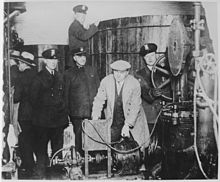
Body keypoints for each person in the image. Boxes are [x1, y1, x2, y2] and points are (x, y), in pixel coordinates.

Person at [92, 60, 150, 148]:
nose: (118, 75)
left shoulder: (134, 84)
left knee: (136, 149)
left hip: (132, 120)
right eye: (116, 71)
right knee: (110, 145)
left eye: (121, 72)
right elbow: (99, 99)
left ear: (127, 72)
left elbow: (135, 107)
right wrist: (95, 116)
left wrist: (127, 125)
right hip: (114, 120)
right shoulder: (106, 81)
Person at [30, 48, 68, 179]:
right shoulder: (38, 78)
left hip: (58, 122)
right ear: (45, 61)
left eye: (55, 59)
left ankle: (57, 175)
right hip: (42, 122)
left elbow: (64, 97)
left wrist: (63, 115)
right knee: (41, 152)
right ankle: (41, 176)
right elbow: (33, 100)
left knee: (58, 151)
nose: (53, 62)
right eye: (51, 59)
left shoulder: (60, 76)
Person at [64, 47, 100, 156]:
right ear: (74, 58)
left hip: (93, 112)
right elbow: (65, 95)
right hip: (77, 113)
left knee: (94, 137)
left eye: (84, 56)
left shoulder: (92, 70)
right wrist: (67, 113)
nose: (83, 58)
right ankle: (82, 161)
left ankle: (94, 162)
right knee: (79, 138)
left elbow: (99, 90)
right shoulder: (68, 74)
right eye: (79, 56)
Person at [13, 51, 37, 177]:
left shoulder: (20, 77)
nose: (18, 66)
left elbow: (16, 97)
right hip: (37, 114)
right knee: (34, 139)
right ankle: (37, 166)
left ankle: (29, 168)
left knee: (24, 140)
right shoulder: (38, 75)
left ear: (24, 63)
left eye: (19, 63)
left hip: (25, 114)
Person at [135, 43, 163, 131]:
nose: (150, 58)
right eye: (147, 56)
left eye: (152, 55)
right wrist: (152, 93)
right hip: (149, 116)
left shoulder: (164, 71)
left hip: (164, 114)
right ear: (143, 58)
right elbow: (143, 91)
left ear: (156, 55)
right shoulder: (139, 75)